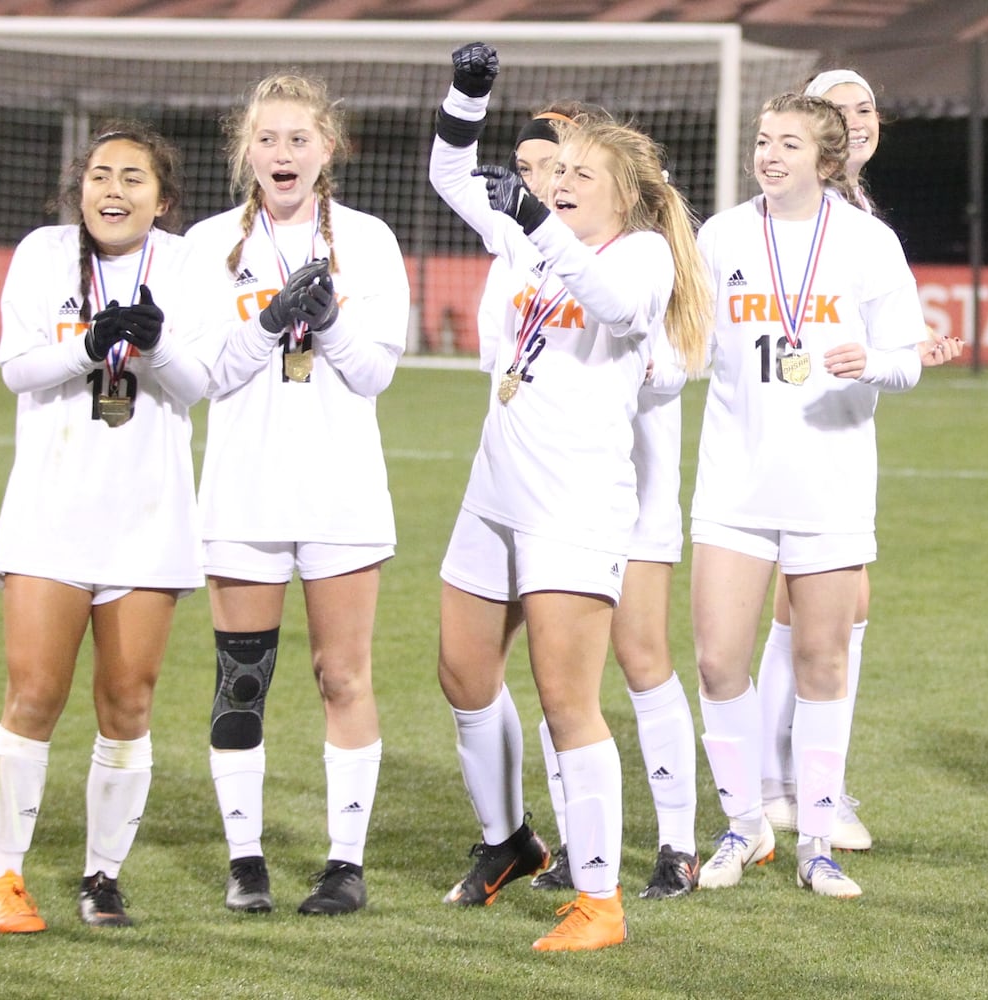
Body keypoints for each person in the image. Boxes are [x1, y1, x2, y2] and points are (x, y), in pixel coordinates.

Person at [430, 43, 710, 947]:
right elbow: (446, 172)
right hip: (493, 491)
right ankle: (510, 843)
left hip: (573, 503)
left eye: (581, 173)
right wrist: (467, 95)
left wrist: (538, 223)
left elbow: (613, 304)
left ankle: (600, 901)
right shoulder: (528, 234)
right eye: (558, 170)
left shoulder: (640, 259)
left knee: (565, 697)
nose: (560, 181)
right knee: (463, 673)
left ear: (623, 195)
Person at [185, 71, 409, 916]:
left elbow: (376, 372)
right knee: (241, 681)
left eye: (298, 139)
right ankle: (246, 861)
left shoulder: (369, 240)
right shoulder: (207, 244)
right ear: (245, 149)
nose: (282, 153)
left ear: (328, 149)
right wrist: (269, 322)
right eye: (267, 139)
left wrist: (334, 320)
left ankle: (343, 865)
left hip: (342, 497)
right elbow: (207, 374)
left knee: (341, 675)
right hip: (243, 494)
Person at [691, 92, 925, 900]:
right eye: (761, 140)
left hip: (828, 483)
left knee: (823, 662)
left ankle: (816, 841)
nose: (768, 154)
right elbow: (688, 342)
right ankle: (743, 823)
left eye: (787, 143)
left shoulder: (868, 242)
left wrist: (875, 362)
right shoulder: (720, 235)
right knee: (718, 659)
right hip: (733, 483)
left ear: (826, 161)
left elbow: (909, 358)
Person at [0, 123, 202, 934]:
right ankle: (4, 879)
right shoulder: (42, 254)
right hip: (51, 509)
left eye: (133, 178)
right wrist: (89, 343)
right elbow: (15, 367)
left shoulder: (185, 263)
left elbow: (200, 381)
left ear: (163, 199)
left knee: (128, 701)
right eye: (101, 175)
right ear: (80, 189)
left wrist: (154, 342)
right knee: (34, 692)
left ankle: (102, 878)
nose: (114, 190)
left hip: (148, 515)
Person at [754, 69, 961, 851]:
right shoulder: (783, 217)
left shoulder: (860, 220)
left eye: (866, 106)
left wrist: (905, 347)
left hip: (834, 439)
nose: (856, 119)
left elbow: (863, 327)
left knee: (823, 615)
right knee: (816, 617)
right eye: (837, 110)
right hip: (788, 446)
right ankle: (799, 787)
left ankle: (794, 783)